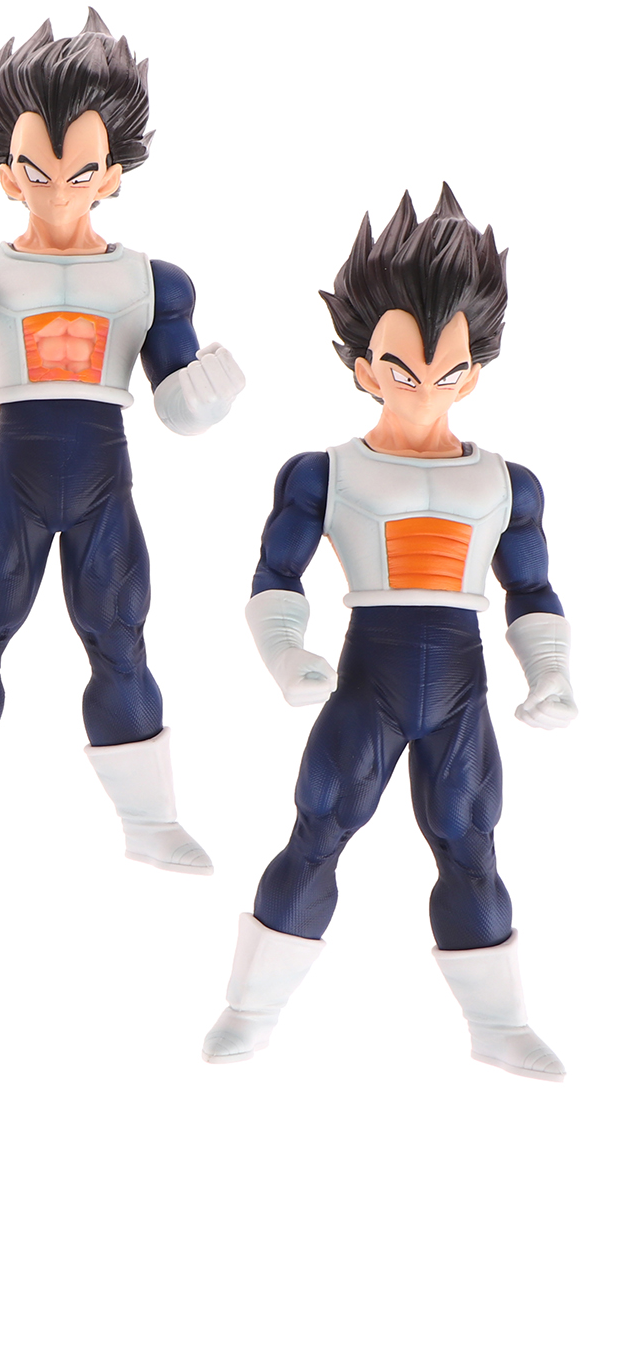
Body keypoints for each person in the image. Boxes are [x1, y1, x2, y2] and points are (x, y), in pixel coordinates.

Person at [202, 185, 574, 1079]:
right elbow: (275, 576)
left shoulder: (508, 484)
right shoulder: (324, 473)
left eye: (449, 371)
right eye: (402, 370)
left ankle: (499, 1026)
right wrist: (287, 655)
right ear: (364, 367)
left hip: (460, 690)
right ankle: (250, 1011)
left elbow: (532, 589)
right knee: (320, 830)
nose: (425, 390)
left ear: (474, 371)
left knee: (470, 844)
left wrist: (552, 674)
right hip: (366, 683)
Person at [0, 10, 245, 873]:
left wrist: (207, 396)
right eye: (36, 170)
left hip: (106, 479)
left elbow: (176, 402)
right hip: (18, 478)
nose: (60, 189)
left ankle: (151, 823)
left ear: (113, 172)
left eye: (80, 171)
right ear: (6, 172)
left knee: (120, 637)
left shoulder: (152, 280)